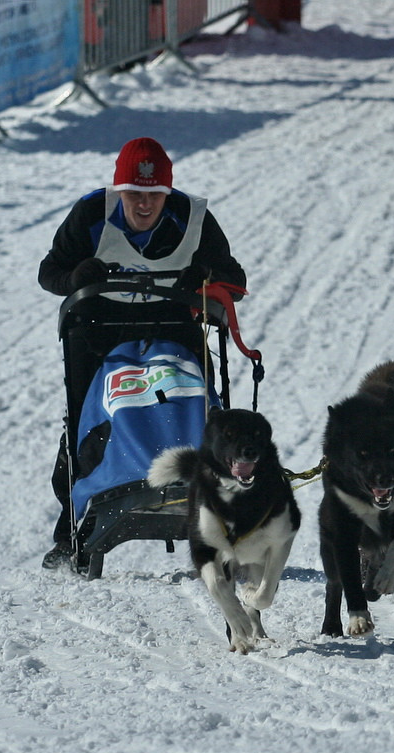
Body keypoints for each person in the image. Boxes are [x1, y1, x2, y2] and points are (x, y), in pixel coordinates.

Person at [39, 136, 246, 569]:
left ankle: (216, 497)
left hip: (173, 327)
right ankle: (71, 529)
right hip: (99, 331)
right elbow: (49, 273)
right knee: (86, 421)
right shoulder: (92, 214)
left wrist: (207, 275)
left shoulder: (194, 220)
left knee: (191, 402)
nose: (145, 204)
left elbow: (235, 280)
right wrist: (76, 275)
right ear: (118, 191)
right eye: (134, 193)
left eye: (154, 195)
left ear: (167, 194)